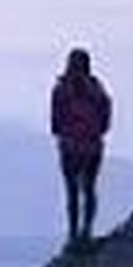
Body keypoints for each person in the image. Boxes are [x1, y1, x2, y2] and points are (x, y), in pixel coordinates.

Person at [50, 47, 111, 247]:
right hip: (92, 148)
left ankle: (74, 233)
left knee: (72, 192)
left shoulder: (61, 90)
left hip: (70, 148)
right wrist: (95, 133)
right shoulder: (97, 90)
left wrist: (66, 135)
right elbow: (105, 121)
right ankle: (86, 230)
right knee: (88, 188)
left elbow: (55, 123)